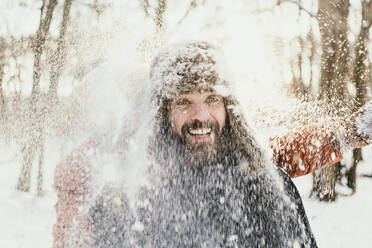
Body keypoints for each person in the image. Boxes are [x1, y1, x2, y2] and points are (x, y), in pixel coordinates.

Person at [53, 41, 372, 248]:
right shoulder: (124, 181)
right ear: (162, 111)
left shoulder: (251, 173)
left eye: (211, 98)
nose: (200, 115)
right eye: (183, 101)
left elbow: (278, 154)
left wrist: (346, 133)